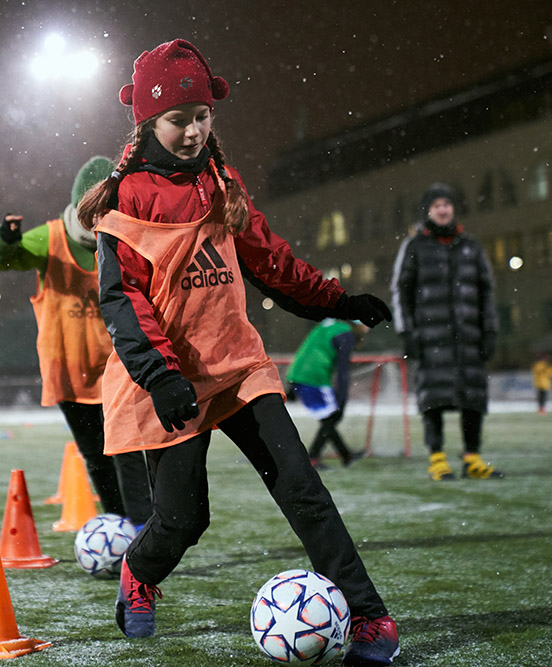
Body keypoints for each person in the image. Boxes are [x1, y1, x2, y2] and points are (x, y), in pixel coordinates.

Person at [77, 39, 399, 666]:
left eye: (203, 115)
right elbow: (124, 301)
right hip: (168, 380)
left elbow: (270, 262)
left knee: (302, 486)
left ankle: (370, 619)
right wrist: (162, 376)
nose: (194, 130)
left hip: (239, 366)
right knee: (182, 521)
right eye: (178, 119)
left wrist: (339, 300)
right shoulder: (128, 199)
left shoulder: (222, 182)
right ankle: (139, 571)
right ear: (148, 120)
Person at [0, 156, 152, 529]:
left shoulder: (126, 241)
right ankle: (118, 523)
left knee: (127, 449)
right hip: (68, 370)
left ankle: (143, 529)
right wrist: (5, 239)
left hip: (116, 368)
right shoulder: (51, 237)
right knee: (95, 454)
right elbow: (0, 260)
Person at [391, 182, 502, 481]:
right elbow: (400, 291)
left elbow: (486, 292)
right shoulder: (414, 246)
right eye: (436, 205)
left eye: (447, 204)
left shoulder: (471, 246)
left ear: (453, 209)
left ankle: (472, 458)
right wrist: (407, 333)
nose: (442, 209)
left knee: (473, 399)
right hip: (430, 340)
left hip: (469, 339)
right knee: (433, 400)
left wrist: (489, 331)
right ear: (428, 211)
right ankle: (437, 459)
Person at [286, 319, 370, 469]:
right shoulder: (346, 334)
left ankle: (345, 455)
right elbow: (342, 370)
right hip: (313, 378)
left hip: (297, 373)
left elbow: (308, 349)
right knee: (332, 416)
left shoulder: (330, 324)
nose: (367, 329)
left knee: (327, 418)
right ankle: (313, 457)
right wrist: (342, 397)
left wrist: (292, 386)